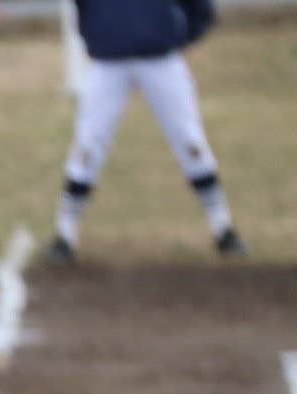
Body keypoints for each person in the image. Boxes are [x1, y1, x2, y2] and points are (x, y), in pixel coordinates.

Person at [45, 0, 245, 263]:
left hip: (161, 60)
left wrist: (180, 35)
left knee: (190, 142)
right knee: (88, 146)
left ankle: (223, 229)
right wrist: (97, 34)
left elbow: (200, 8)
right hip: (108, 63)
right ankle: (65, 235)